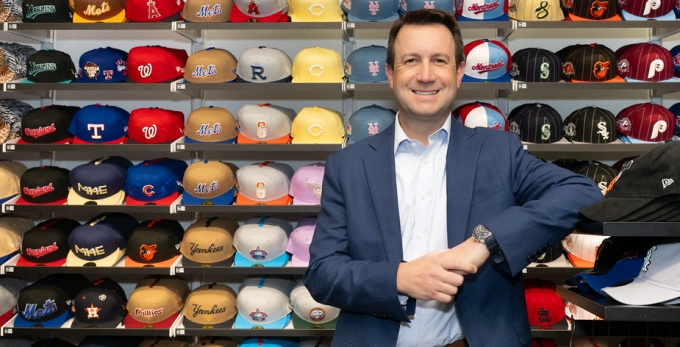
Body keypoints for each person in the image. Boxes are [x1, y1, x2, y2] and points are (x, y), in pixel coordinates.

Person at [303, 9, 603, 347]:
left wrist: (484, 241)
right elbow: (323, 274)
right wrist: (400, 277)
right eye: (411, 60)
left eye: (440, 60)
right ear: (390, 73)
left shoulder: (499, 151)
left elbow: (582, 192)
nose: (426, 75)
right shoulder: (348, 165)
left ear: (459, 72)